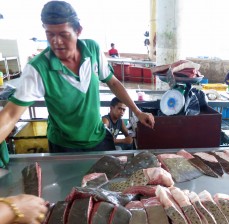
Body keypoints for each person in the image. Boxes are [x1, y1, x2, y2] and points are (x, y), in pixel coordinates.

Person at [0, 1, 154, 153]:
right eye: (50, 34)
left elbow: (113, 83)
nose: (56, 41)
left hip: (97, 137)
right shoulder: (37, 68)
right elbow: (10, 114)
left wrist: (138, 112)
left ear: (78, 31)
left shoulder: (92, 50)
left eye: (63, 34)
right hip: (63, 145)